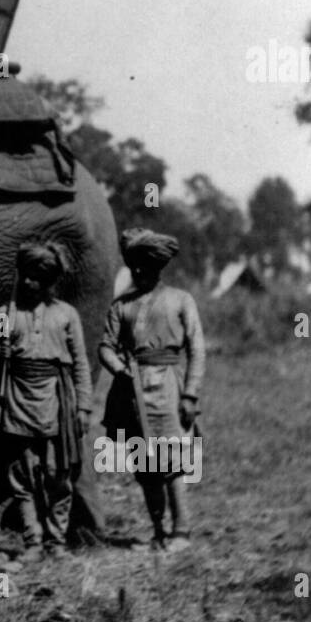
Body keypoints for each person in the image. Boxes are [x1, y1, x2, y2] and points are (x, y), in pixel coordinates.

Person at [98, 228, 206, 552]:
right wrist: (119, 369)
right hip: (129, 390)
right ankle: (158, 531)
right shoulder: (122, 305)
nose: (140, 272)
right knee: (144, 464)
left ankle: (181, 532)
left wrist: (190, 394)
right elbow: (105, 346)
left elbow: (197, 349)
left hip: (168, 387)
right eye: (135, 267)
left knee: (171, 461)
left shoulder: (181, 300)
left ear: (159, 267)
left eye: (147, 266)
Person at [0, 242, 93, 561]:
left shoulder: (66, 315)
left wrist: (84, 406)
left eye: (37, 278)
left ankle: (56, 540)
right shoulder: (4, 314)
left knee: (57, 474)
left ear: (49, 281)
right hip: (19, 400)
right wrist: (0, 352)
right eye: (25, 276)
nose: (28, 283)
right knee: (23, 474)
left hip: (57, 400)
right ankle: (33, 540)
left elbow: (80, 363)